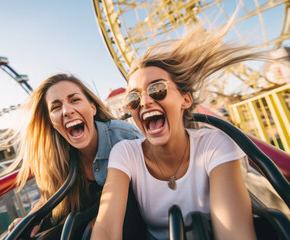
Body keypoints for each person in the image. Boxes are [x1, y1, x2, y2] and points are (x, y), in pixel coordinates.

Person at [91, 22, 264, 240]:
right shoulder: (125, 154)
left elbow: (235, 232)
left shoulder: (215, 145)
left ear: (185, 99)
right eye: (133, 98)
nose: (144, 101)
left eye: (157, 89)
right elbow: (106, 226)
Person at [4, 73, 144, 238]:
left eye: (75, 100)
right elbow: (51, 196)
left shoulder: (124, 137)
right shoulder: (56, 155)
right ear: (51, 122)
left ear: (92, 108)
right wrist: (33, 217)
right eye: (56, 107)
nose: (67, 111)